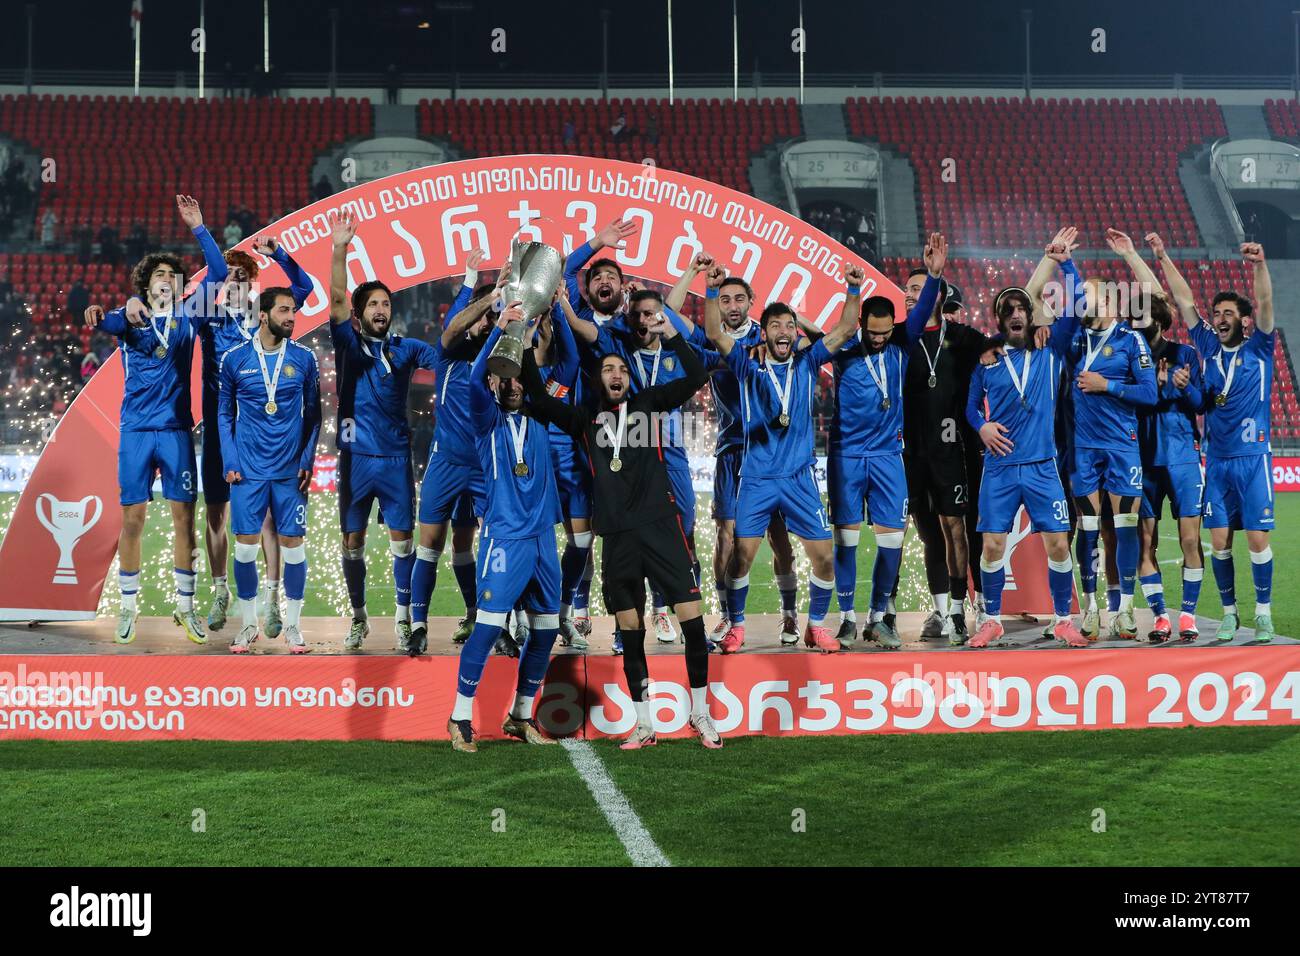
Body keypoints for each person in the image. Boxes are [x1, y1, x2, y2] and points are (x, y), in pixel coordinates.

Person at [521, 307, 721, 749]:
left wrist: (671, 337)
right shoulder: (583, 421)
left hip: (663, 531)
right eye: (607, 368)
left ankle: (701, 714)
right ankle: (645, 724)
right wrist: (528, 342)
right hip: (618, 539)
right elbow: (536, 395)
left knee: (692, 624)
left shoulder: (649, 404)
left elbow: (696, 377)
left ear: (630, 378)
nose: (615, 373)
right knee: (630, 633)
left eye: (621, 368)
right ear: (598, 380)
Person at [81, 195, 223, 646]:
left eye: (172, 275)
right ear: (146, 283)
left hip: (178, 431)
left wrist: (199, 228)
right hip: (138, 432)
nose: (167, 278)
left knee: (185, 519)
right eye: (159, 274)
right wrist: (105, 313)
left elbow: (219, 275)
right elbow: (107, 324)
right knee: (133, 520)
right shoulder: (131, 316)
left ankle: (185, 608)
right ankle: (127, 608)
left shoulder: (189, 313)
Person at [706, 260, 865, 654]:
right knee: (741, 555)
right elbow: (712, 331)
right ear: (764, 332)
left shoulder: (808, 363)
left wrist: (853, 289)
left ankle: (814, 626)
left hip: (799, 479)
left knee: (824, 558)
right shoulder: (746, 364)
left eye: (789, 326)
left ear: (796, 333)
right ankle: (737, 626)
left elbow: (846, 329)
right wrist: (711, 290)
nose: (783, 331)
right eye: (775, 325)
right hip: (757, 479)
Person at [665, 255, 802, 647]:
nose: (733, 306)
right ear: (718, 304)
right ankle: (727, 617)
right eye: (725, 300)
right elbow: (667, 312)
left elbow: (812, 345)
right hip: (730, 452)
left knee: (779, 539)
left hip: (772, 452)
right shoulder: (712, 342)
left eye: (739, 299)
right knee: (725, 537)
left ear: (751, 301)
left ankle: (790, 615)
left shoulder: (771, 336)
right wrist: (696, 276)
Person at [447, 308, 565, 753]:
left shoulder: (541, 415)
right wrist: (499, 330)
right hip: (504, 538)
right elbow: (476, 381)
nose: (514, 385)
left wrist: (558, 313)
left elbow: (568, 365)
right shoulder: (486, 420)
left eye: (519, 378)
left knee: (547, 628)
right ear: (497, 382)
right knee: (488, 627)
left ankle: (520, 715)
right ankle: (459, 718)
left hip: (541, 540)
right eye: (506, 379)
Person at [965, 231, 1087, 649]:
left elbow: (1078, 309)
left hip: (1041, 466)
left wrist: (1065, 265)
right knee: (993, 543)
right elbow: (968, 408)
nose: (1017, 313)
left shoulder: (1052, 351)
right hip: (998, 468)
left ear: (1031, 316)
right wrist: (981, 426)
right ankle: (992, 619)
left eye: (1023, 307)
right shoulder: (988, 360)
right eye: (1009, 309)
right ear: (1000, 320)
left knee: (1057, 541)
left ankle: (1063, 619)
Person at [190, 235, 313, 638]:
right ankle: (220, 590)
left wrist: (279, 254)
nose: (236, 281)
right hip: (221, 431)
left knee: (272, 522)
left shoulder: (268, 315)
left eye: (244, 275)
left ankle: (273, 599)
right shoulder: (210, 315)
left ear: (254, 281)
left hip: (268, 438)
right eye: (230, 276)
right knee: (215, 514)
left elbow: (304, 288)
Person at [327, 210, 439, 652]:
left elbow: (447, 360)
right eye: (373, 304)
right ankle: (358, 618)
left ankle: (403, 619)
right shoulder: (348, 345)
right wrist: (340, 249)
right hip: (355, 460)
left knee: (402, 541)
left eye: (386, 304)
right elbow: (336, 298)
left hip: (394, 460)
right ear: (358, 314)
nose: (381, 310)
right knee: (352, 540)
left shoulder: (407, 348)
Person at [829, 234, 946, 650]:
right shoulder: (842, 350)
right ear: (861, 325)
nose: (878, 339)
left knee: (892, 539)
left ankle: (879, 616)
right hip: (845, 455)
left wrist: (933, 276)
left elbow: (921, 314)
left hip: (886, 457)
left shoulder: (901, 343)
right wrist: (853, 289)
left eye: (884, 332)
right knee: (844, 539)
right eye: (872, 333)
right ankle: (845, 617)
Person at [1162, 238, 1277, 642]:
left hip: (1253, 458)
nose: (1221, 318)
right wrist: (1162, 256)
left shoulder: (1261, 347)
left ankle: (1263, 614)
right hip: (1219, 461)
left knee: (1258, 539)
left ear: (1245, 320)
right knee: (1220, 542)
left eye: (1229, 313)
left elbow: (1264, 302)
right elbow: (1184, 301)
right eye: (1218, 313)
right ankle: (1230, 613)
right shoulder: (1208, 347)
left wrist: (1259, 265)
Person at [1110, 230, 1205, 641]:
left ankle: (1187, 616)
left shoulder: (1184, 353)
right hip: (1142, 460)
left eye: (1142, 317)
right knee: (1144, 541)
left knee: (1189, 539)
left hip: (1183, 458)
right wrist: (1157, 390)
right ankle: (1160, 615)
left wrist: (1183, 387)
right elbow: (1133, 402)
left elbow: (1201, 404)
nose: (1134, 323)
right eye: (1131, 318)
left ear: (1159, 319)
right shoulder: (1129, 356)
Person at [895, 269, 998, 646]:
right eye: (907, 289)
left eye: (917, 289)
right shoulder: (901, 337)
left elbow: (1000, 345)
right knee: (929, 536)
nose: (908, 294)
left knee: (968, 530)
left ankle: (982, 605)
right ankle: (941, 610)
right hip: (913, 453)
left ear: (937, 296)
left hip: (960, 451)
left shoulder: (962, 337)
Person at [218, 286, 322, 654]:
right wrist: (230, 460)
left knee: (294, 545)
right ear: (263, 316)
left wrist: (306, 460)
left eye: (293, 310)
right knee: (245, 549)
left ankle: (293, 626)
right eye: (283, 311)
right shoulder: (233, 359)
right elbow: (224, 414)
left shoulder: (305, 359)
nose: (291, 317)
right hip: (247, 471)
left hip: (289, 471)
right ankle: (248, 625)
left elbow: (314, 416)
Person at [1063, 238, 1157, 641]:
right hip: (1084, 447)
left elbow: (1150, 394)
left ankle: (1123, 610)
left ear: (1112, 302)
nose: (1085, 300)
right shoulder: (1075, 340)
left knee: (1124, 526)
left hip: (1122, 446)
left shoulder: (1132, 340)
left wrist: (1107, 385)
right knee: (1087, 528)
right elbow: (1070, 298)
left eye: (1092, 295)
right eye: (1082, 296)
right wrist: (1067, 266)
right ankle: (1090, 609)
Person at [410, 251, 501, 653]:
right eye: (481, 316)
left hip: (485, 467)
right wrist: (481, 290)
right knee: (429, 543)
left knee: (488, 546)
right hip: (445, 462)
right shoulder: (448, 354)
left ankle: (488, 620)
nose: (483, 323)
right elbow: (453, 326)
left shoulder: (502, 359)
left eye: (491, 317)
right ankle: (416, 624)